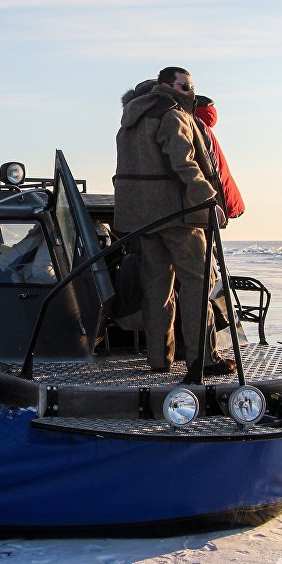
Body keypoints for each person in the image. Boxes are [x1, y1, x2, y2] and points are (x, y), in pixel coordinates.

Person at [114, 67, 236, 378]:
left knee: (157, 288)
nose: (191, 92)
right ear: (166, 86)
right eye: (185, 86)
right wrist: (209, 201)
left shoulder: (131, 119)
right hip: (178, 215)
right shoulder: (173, 115)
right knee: (199, 285)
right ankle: (205, 360)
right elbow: (186, 165)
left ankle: (159, 358)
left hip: (143, 218)